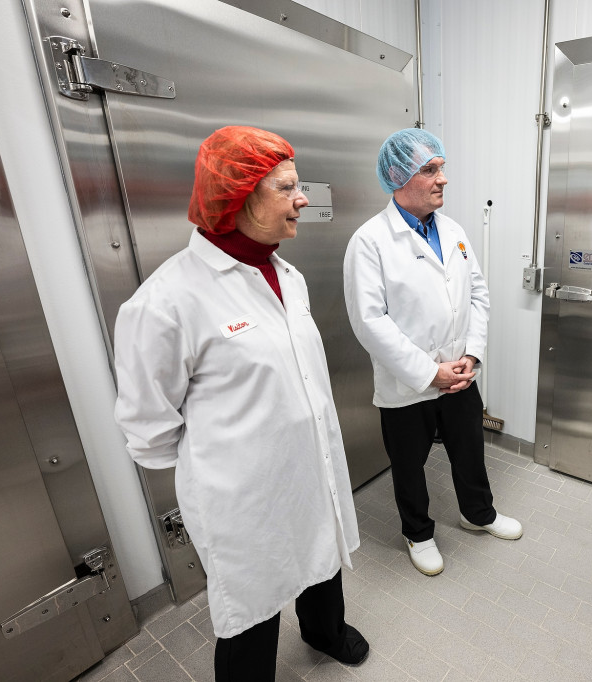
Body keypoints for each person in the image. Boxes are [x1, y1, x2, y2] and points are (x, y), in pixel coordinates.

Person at [114, 126, 368, 681]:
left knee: (322, 557)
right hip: (242, 494)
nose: (303, 199)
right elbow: (148, 426)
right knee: (250, 607)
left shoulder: (286, 275)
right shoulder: (165, 302)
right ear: (238, 196)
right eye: (288, 187)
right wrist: (230, 464)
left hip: (310, 463)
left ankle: (323, 632)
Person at [343, 128, 522, 577]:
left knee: (470, 449)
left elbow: (477, 295)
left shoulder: (454, 230)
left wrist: (473, 356)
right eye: (430, 170)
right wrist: (428, 373)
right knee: (409, 464)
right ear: (399, 177)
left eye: (441, 168)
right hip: (408, 383)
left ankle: (478, 514)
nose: (442, 179)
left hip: (460, 374)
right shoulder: (370, 241)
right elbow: (370, 321)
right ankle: (418, 533)